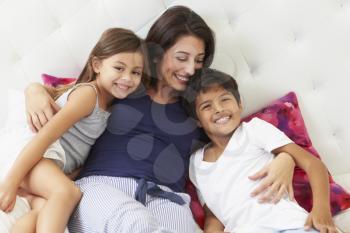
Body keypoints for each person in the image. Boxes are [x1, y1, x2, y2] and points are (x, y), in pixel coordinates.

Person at [24, 6, 297, 233]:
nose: (190, 69)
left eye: (199, 60)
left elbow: (237, 148)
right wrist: (33, 91)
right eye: (181, 57)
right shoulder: (125, 83)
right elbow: (68, 92)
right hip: (101, 186)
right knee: (136, 224)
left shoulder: (199, 108)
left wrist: (286, 158)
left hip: (167, 198)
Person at [0, 27, 147, 233]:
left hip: (48, 165)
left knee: (39, 213)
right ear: (97, 65)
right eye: (119, 68)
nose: (127, 78)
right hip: (34, 156)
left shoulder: (111, 108)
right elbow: (45, 136)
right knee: (68, 193)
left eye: (135, 72)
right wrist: (11, 181)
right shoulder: (89, 95)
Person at [182, 68, 337, 233]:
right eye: (207, 106)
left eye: (225, 99)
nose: (219, 109)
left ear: (240, 104)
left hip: (290, 225)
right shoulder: (196, 163)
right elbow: (213, 216)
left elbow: (313, 164)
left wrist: (321, 210)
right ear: (197, 120)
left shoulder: (254, 130)